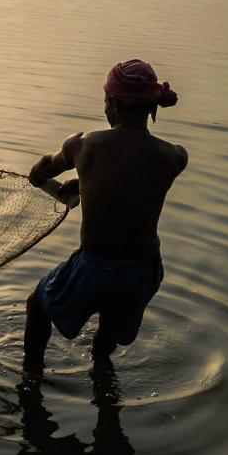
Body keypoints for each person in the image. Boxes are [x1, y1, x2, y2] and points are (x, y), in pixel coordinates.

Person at [24, 59, 188, 372]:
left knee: (37, 305)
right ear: (150, 107)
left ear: (112, 104)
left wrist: (50, 178)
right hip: (142, 271)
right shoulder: (174, 156)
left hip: (95, 264)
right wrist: (87, 187)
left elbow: (42, 169)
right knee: (109, 331)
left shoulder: (84, 145)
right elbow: (131, 188)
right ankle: (102, 375)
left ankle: (31, 378)